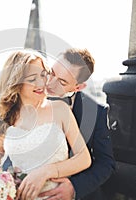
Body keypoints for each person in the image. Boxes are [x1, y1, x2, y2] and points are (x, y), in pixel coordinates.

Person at [0, 50, 91, 200]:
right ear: (16, 83)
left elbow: (84, 158)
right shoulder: (8, 117)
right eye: (32, 79)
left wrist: (46, 171)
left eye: (43, 74)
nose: (42, 83)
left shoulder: (60, 109)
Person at [38, 48, 116, 200]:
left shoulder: (97, 112)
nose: (50, 83)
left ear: (79, 87)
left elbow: (106, 163)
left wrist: (75, 187)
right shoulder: (29, 97)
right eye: (52, 72)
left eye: (62, 81)